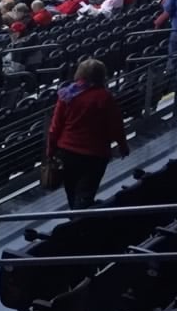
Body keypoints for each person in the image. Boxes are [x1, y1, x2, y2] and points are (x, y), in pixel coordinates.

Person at [46, 57, 128, 209]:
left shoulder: (66, 95)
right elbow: (116, 125)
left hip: (68, 153)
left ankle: (75, 220)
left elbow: (55, 127)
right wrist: (123, 146)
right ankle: (79, 221)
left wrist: (50, 151)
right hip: (96, 155)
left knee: (71, 191)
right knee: (86, 194)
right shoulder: (105, 97)